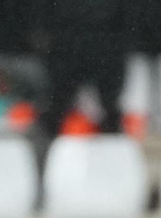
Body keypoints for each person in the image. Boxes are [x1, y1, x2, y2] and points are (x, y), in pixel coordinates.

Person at [37, 0, 129, 138]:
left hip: (103, 42)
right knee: (58, 102)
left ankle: (113, 141)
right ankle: (48, 141)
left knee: (109, 103)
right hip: (66, 42)